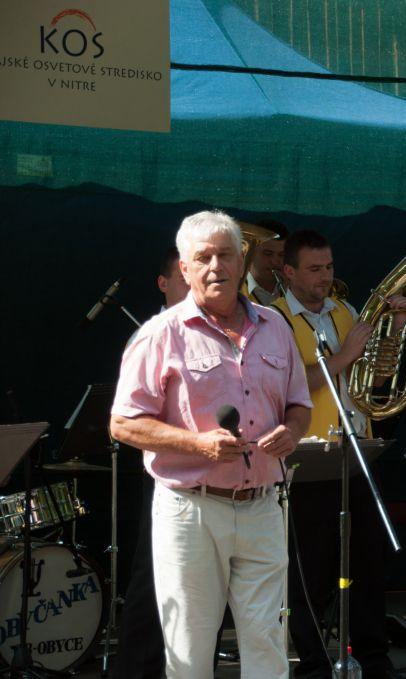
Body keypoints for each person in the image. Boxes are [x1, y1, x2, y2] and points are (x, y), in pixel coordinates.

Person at [109, 210, 312, 679]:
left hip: (263, 506)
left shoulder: (276, 327)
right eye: (203, 258)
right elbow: (122, 423)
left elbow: (299, 404)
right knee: (189, 653)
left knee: (268, 645)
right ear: (184, 268)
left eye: (225, 255)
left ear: (243, 261)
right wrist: (198, 444)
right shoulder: (160, 333)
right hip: (191, 509)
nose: (215, 266)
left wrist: (293, 431)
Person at [271, 229, 406, 679]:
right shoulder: (273, 320)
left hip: (356, 449)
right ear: (288, 272)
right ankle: (313, 664)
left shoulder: (345, 312)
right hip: (309, 458)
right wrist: (345, 355)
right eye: (314, 269)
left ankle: (373, 658)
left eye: (329, 266)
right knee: (310, 569)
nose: (325, 276)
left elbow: (370, 379)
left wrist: (396, 332)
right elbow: (287, 385)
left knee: (367, 560)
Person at [112, 246, 190, 679]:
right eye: (182, 277)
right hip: (165, 473)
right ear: (163, 283)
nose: (193, 284)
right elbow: (129, 419)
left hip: (210, 472)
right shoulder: (150, 334)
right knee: (154, 574)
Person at [243, 219, 287, 305]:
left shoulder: (296, 290)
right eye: (268, 254)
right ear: (250, 252)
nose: (275, 262)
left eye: (282, 255)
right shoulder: (234, 291)